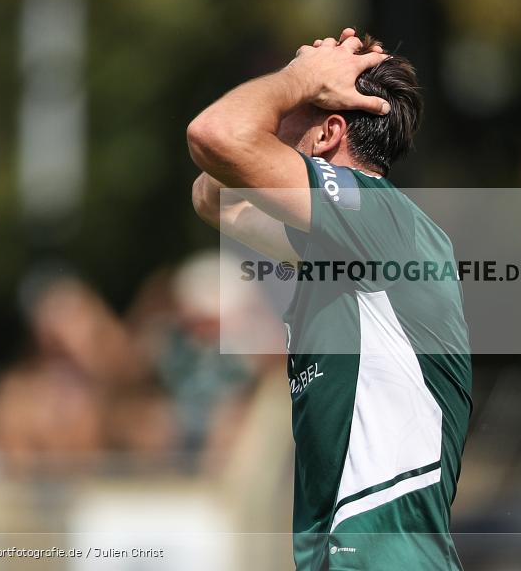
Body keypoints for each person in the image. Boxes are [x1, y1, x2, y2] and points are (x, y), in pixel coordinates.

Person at [187, 28, 472, 570]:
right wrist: (300, 83)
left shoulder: (378, 216)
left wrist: (299, 78)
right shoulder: (341, 240)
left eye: (295, 108)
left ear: (328, 133)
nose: (276, 114)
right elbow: (212, 194)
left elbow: (215, 134)